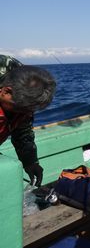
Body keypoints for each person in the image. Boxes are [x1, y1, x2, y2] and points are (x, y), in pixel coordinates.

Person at [0, 55, 56, 186]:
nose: (24, 114)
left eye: (29, 110)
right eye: (20, 109)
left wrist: (30, 162)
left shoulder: (22, 99)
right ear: (6, 91)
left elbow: (22, 132)